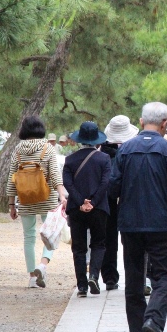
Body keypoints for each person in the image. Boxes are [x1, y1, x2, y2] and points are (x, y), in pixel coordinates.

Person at [109, 102, 167, 332]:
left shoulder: (124, 150)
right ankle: (153, 319)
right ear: (165, 123)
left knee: (133, 276)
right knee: (163, 275)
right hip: (160, 224)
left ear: (141, 122)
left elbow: (112, 188)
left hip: (130, 224)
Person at [7, 116, 67, 288]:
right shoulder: (47, 148)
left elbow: (12, 179)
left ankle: (32, 276)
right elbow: (55, 175)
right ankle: (43, 265)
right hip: (46, 198)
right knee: (51, 234)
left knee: (29, 237)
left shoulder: (17, 150)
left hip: (25, 198)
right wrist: (62, 195)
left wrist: (12, 204)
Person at [63, 122, 111, 297]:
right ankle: (93, 276)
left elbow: (68, 183)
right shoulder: (104, 159)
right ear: (97, 141)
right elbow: (105, 182)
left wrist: (80, 201)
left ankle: (82, 286)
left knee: (79, 247)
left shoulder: (70, 160)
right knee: (98, 244)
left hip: (76, 209)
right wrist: (93, 201)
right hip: (99, 208)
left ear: (79, 140)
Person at [101, 115, 139, 291]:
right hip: (130, 197)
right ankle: (134, 276)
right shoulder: (134, 148)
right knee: (130, 238)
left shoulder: (102, 150)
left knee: (108, 239)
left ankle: (109, 277)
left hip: (107, 198)